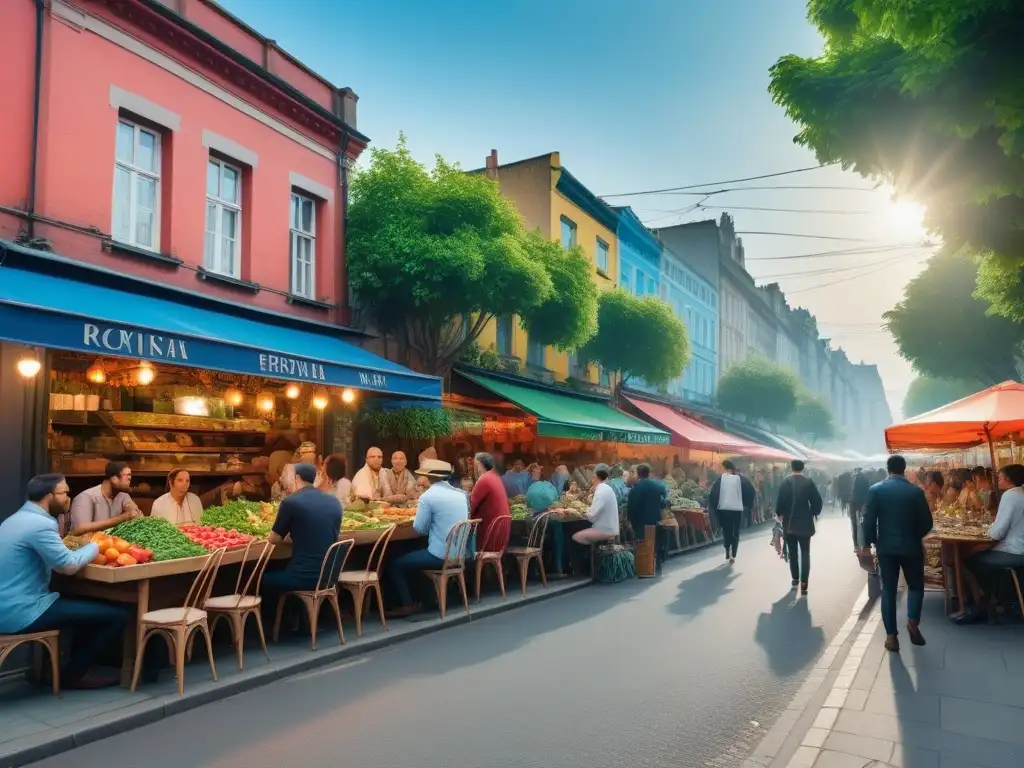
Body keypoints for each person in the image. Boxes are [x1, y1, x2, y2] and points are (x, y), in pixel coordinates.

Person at [0, 474, 127, 688]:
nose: (69, 497)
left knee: (82, 608)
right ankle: (73, 676)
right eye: (65, 493)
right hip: (23, 611)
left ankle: (59, 669)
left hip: (8, 606)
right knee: (117, 616)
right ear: (49, 496)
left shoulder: (14, 519)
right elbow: (67, 566)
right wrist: (96, 545)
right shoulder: (40, 524)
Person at [860, 455, 934, 652]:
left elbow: (868, 522)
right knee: (916, 586)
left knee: (889, 590)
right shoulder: (916, 491)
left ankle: (891, 636)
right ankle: (913, 621)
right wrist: (913, 535)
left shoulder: (875, 490)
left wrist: (870, 542)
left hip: (886, 548)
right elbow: (927, 523)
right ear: (904, 469)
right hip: (911, 547)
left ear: (888, 469)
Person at [387, 460, 469, 617]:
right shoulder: (461, 495)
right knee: (413, 554)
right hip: (457, 554)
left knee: (396, 563)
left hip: (439, 555)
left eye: (421, 473)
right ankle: (425, 598)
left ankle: (408, 604)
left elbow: (419, 528)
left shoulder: (428, 496)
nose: (418, 475)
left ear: (427, 477)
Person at [263, 464, 344, 619]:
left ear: (297, 478)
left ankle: (278, 626)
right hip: (329, 574)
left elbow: (273, 539)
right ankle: (300, 619)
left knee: (264, 579)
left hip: (302, 575)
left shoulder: (290, 502)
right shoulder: (334, 502)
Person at [956, 463, 1024, 624]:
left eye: (1000, 478)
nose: (998, 481)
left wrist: (981, 541)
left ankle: (982, 602)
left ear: (1007, 479)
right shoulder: (1020, 494)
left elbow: (997, 533)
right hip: (1018, 549)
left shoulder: (1011, 495)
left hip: (1013, 552)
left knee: (967, 559)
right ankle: (989, 599)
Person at [775, 460, 823, 595]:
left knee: (793, 552)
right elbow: (817, 502)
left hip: (789, 523)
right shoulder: (809, 482)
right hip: (805, 523)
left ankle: (795, 578)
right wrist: (813, 512)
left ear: (791, 468)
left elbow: (780, 501)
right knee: (805, 553)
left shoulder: (786, 482)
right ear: (803, 468)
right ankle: (804, 582)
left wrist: (779, 514)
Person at [67, 461, 140, 536]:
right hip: (89, 546)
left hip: (114, 545)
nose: (130, 479)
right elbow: (78, 530)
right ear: (114, 479)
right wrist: (122, 518)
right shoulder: (86, 497)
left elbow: (140, 519)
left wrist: (135, 513)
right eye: (127, 475)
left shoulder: (122, 495)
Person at [709, 459, 755, 564]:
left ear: (726, 469)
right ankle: (734, 554)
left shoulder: (720, 479)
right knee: (736, 531)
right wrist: (746, 504)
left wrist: (716, 508)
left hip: (724, 509)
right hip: (737, 509)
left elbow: (713, 494)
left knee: (727, 530)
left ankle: (727, 551)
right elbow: (750, 490)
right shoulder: (741, 479)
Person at [627, 463, 669, 571]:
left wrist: (631, 521)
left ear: (638, 474)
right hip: (655, 519)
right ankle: (657, 562)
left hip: (641, 522)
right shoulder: (657, 485)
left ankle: (645, 568)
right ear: (648, 473)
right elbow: (664, 495)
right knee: (655, 542)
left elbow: (632, 507)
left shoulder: (635, 489)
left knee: (643, 543)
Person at [469, 453, 510, 552]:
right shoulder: (495, 477)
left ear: (482, 465)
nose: (474, 470)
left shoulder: (484, 479)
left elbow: (470, 506)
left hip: (490, 534)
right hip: (501, 533)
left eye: (476, 466)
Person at [571, 464, 620, 546]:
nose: (591, 480)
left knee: (576, 537)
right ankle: (592, 552)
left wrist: (577, 510)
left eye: (592, 477)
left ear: (596, 477)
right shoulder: (605, 487)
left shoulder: (601, 490)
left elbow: (591, 516)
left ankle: (588, 556)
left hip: (605, 529)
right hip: (610, 527)